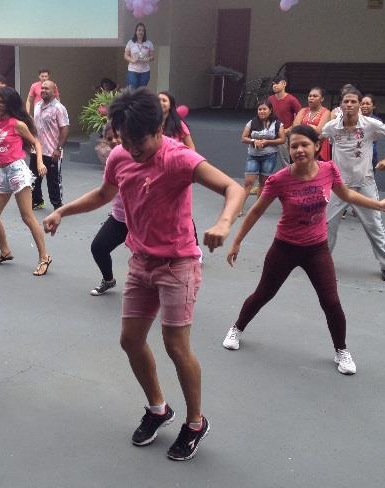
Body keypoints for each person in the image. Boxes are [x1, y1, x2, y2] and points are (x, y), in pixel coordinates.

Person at [43, 88, 244, 461]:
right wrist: (62, 211)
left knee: (175, 345)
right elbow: (104, 194)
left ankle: (196, 423)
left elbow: (233, 187)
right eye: (125, 140)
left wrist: (224, 222)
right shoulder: (121, 155)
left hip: (178, 264)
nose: (132, 149)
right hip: (141, 262)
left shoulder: (178, 158)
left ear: (158, 130)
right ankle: (158, 409)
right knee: (130, 340)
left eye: (139, 141)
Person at [221, 125, 385, 375]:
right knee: (263, 293)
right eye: (294, 146)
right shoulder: (279, 180)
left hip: (316, 249)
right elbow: (257, 210)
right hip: (285, 247)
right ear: (289, 151)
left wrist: (376, 204)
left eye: (304, 144)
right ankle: (237, 328)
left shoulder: (328, 170)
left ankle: (341, 351)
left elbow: (346, 195)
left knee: (331, 301)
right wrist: (237, 241)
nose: (299, 150)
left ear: (316, 146)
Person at [322, 87, 385, 282]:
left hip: (364, 183)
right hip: (338, 185)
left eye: (353, 102)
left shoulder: (370, 125)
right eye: (346, 101)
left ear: (359, 105)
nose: (349, 105)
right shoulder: (332, 126)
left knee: (374, 225)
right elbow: (317, 138)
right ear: (340, 104)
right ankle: (321, 263)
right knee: (327, 225)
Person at [0, 86, 52, 276]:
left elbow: (36, 143)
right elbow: (2, 150)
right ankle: (5, 251)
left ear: (9, 104)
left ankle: (44, 257)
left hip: (17, 172)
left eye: (0, 101)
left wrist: (39, 162)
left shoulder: (17, 124)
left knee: (27, 216)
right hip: (3, 173)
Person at [90, 122, 128, 296]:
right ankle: (108, 280)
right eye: (109, 138)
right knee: (98, 247)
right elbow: (103, 193)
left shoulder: (141, 157)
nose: (114, 141)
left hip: (143, 221)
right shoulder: (111, 160)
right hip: (120, 218)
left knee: (148, 261)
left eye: (117, 136)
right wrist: (61, 211)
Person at [237, 100, 284, 216]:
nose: (262, 111)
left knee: (263, 183)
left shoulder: (277, 124)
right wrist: (254, 140)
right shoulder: (252, 122)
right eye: (260, 109)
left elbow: (282, 139)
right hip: (253, 156)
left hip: (269, 156)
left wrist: (267, 141)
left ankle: (256, 209)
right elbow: (243, 138)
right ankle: (239, 208)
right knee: (248, 182)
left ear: (270, 110)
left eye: (264, 109)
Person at [31, 80, 69, 211]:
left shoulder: (59, 108)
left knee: (53, 182)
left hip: (53, 152)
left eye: (47, 89)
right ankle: (37, 201)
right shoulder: (37, 105)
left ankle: (58, 206)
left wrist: (58, 148)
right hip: (37, 151)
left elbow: (64, 129)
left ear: (54, 91)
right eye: (42, 88)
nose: (43, 91)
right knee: (33, 179)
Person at [293, 86, 330, 161]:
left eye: (315, 96)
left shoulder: (326, 112)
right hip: (302, 144)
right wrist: (312, 127)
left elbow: (319, 131)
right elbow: (295, 127)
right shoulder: (303, 110)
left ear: (322, 99)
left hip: (319, 146)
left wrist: (303, 126)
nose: (311, 98)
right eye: (310, 96)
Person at [124, 23, 155, 89]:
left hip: (145, 71)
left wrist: (147, 59)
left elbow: (152, 57)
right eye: (139, 30)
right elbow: (125, 55)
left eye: (142, 30)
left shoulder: (149, 43)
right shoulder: (131, 42)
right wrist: (132, 60)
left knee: (141, 91)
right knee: (132, 89)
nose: (141, 32)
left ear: (144, 32)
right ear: (136, 32)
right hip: (133, 70)